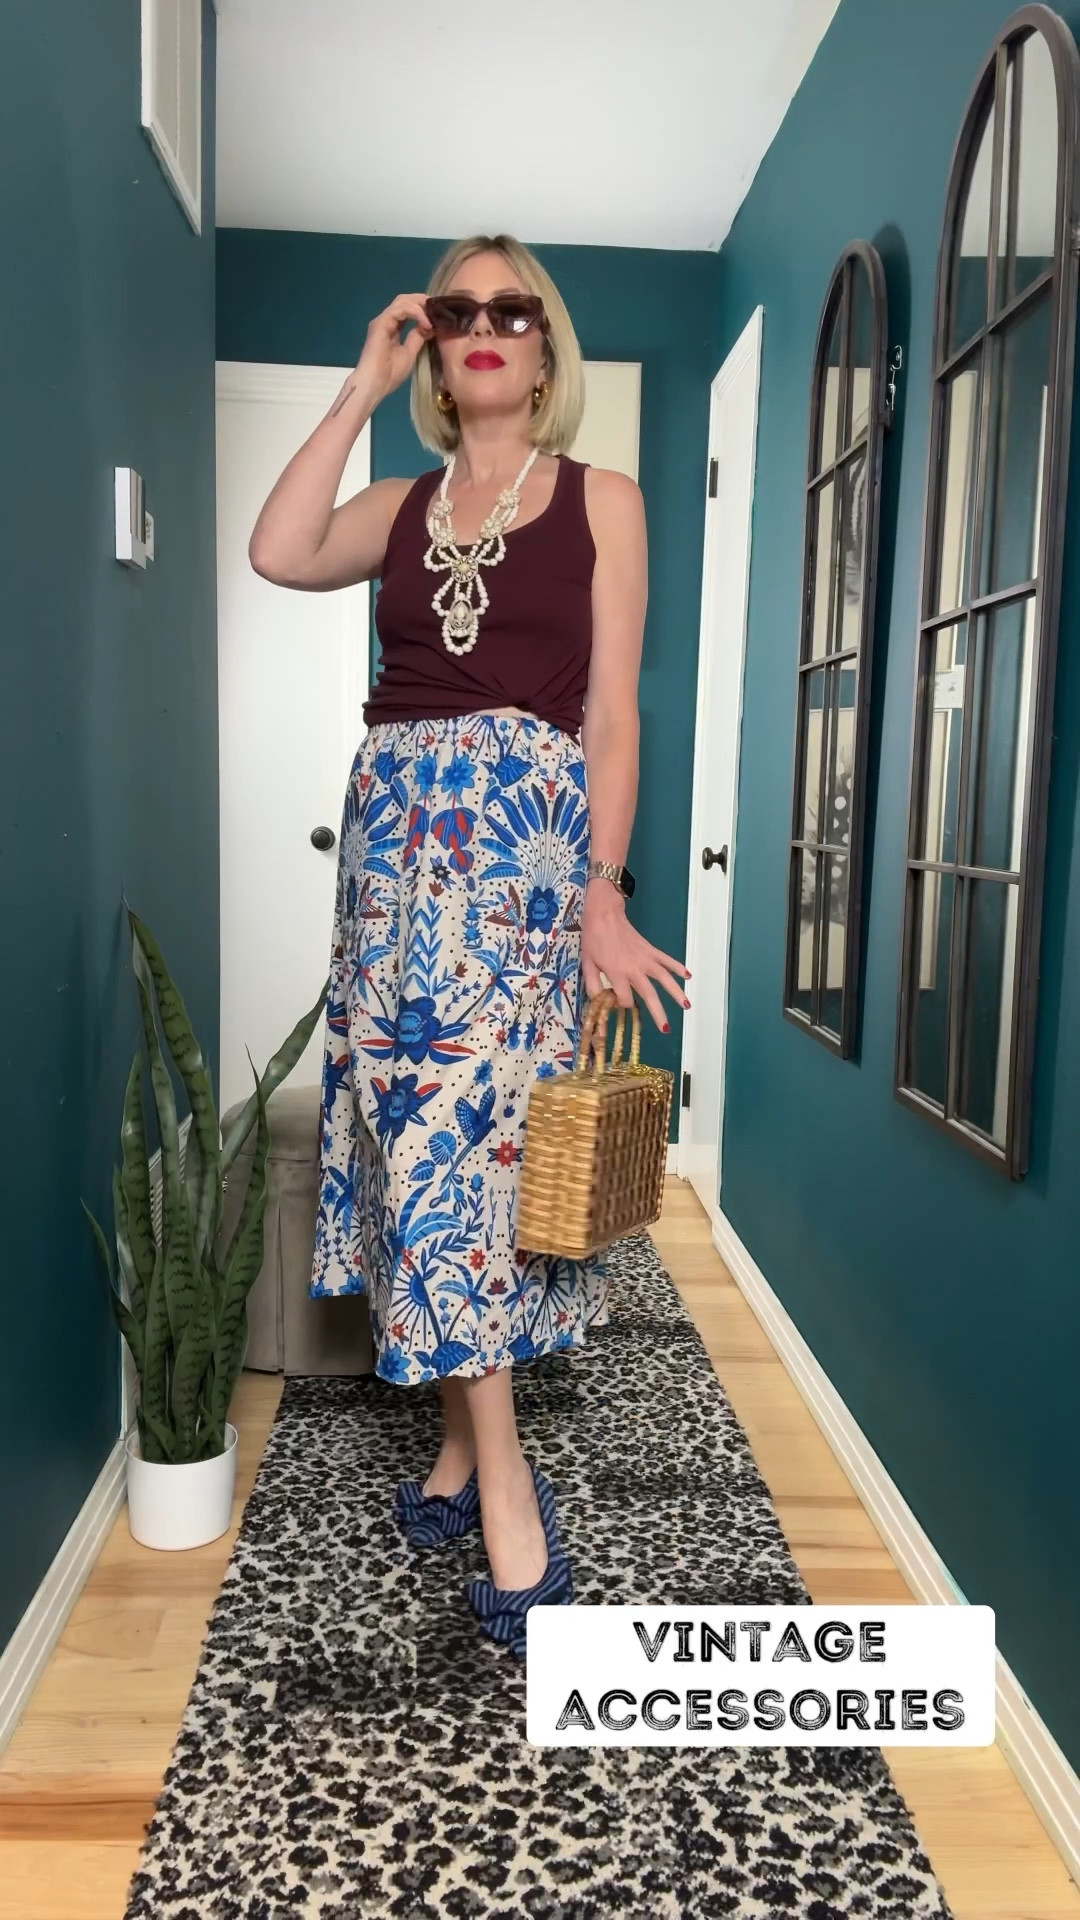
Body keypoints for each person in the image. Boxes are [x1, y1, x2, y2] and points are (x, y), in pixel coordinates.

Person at [248, 231, 690, 1658]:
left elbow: (611, 714)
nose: (485, 326)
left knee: (470, 1171)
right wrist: (352, 389)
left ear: (545, 347)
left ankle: (502, 1481)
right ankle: (467, 1452)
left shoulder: (607, 501)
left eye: (512, 309)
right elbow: (274, 549)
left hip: (522, 868)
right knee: (407, 1149)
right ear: (434, 347)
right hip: (390, 868)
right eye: (457, 312)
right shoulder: (395, 501)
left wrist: (602, 894)